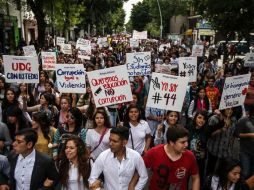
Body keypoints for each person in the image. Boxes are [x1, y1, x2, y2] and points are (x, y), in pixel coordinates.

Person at [235, 105, 254, 179]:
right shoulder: (243, 120)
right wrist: (250, 135)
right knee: (245, 172)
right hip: (245, 152)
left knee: (252, 174)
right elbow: (237, 134)